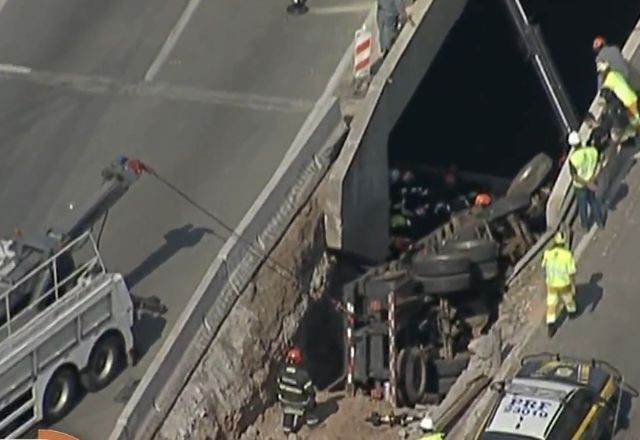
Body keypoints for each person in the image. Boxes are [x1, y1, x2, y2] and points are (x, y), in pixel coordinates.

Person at [542, 231, 577, 337]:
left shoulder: (548, 253)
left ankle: (551, 325)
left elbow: (544, 266)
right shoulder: (567, 255)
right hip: (563, 283)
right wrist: (573, 285)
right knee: (568, 298)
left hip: (551, 283)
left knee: (551, 304)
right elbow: (571, 272)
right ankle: (572, 312)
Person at [567, 130, 605, 231]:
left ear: (572, 145)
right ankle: (600, 222)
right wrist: (593, 178)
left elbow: (574, 177)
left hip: (581, 185)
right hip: (592, 180)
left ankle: (585, 226)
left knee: (582, 206)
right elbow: (599, 164)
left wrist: (586, 183)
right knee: (594, 202)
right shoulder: (592, 151)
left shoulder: (573, 159)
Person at [277, 347, 318, 430]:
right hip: (300, 402)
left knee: (288, 412)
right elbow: (310, 391)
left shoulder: (281, 371)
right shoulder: (302, 375)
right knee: (311, 401)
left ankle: (287, 428)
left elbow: (278, 386)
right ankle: (311, 422)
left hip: (285, 400)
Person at [597, 60, 640, 129]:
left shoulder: (609, 79)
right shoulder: (615, 73)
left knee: (637, 115)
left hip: (628, 99)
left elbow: (604, 89)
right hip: (632, 94)